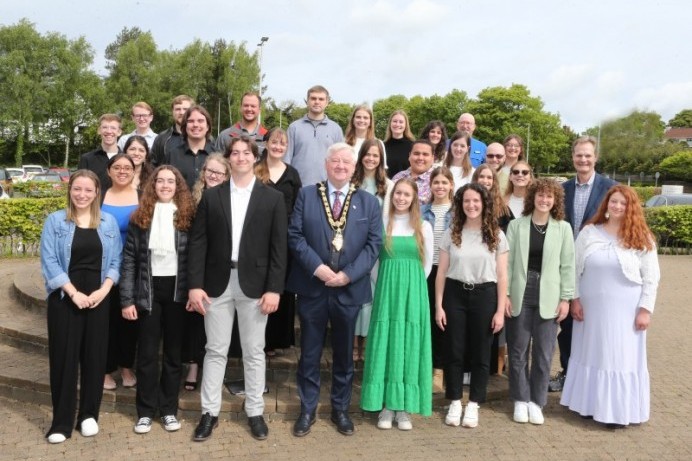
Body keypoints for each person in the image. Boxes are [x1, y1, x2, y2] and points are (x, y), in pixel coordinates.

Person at [187, 136, 287, 442]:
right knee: (214, 350)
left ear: (255, 158)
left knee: (254, 351)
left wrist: (274, 289)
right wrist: (194, 285)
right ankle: (209, 413)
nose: (241, 157)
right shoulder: (212, 196)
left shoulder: (272, 198)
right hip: (216, 284)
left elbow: (279, 248)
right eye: (236, 153)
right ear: (229, 159)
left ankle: (255, 411)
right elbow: (198, 242)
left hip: (255, 287)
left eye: (247, 152)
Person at [287, 143, 381, 437]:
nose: (341, 166)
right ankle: (307, 409)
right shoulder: (306, 194)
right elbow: (295, 235)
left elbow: (373, 245)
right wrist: (318, 268)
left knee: (344, 355)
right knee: (310, 353)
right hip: (313, 286)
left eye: (346, 162)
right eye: (335, 161)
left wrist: (348, 275)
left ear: (354, 168)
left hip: (348, 290)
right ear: (326, 164)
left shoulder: (368, 202)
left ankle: (340, 409)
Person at [561, 185, 660, 427]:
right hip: (590, 308)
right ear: (606, 205)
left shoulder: (642, 238)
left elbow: (652, 276)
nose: (617, 206)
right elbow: (573, 268)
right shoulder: (589, 233)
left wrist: (645, 310)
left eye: (622, 203)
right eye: (613, 202)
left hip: (625, 310)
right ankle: (587, 404)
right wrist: (575, 298)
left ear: (631, 208)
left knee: (618, 356)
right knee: (590, 353)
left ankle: (616, 412)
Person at [40, 170, 122, 444]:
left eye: (88, 190)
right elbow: (49, 260)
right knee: (64, 360)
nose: (82, 195)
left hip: (99, 297)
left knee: (94, 358)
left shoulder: (108, 222)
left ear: (97, 192)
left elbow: (116, 261)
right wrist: (73, 292)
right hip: (66, 299)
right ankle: (61, 422)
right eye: (77, 189)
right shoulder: (56, 221)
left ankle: (88, 415)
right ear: (70, 190)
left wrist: (105, 289)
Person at [120, 165, 195, 434]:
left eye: (170, 182)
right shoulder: (140, 217)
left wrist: (192, 291)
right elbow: (129, 260)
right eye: (160, 181)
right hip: (148, 291)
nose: (165, 185)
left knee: (174, 355)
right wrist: (127, 299)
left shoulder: (187, 215)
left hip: (177, 292)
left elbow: (194, 258)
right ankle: (145, 411)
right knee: (148, 354)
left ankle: (168, 410)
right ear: (152, 185)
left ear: (178, 186)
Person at [361, 178, 434, 430]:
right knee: (387, 342)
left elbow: (426, 265)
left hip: (414, 293)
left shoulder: (424, 227)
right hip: (387, 290)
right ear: (392, 197)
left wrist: (410, 285)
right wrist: (386, 282)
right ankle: (386, 406)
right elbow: (373, 264)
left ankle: (404, 408)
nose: (401, 198)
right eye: (397, 194)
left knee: (410, 344)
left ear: (415, 198)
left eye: (406, 194)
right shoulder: (382, 224)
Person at [435, 183, 508, 428]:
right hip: (455, 294)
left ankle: (474, 403)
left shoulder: (496, 235)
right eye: (466, 201)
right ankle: (455, 400)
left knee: (480, 352)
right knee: (454, 350)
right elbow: (441, 272)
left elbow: (502, 275)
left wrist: (499, 310)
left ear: (484, 203)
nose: (471, 205)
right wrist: (438, 305)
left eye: (476, 201)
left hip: (485, 295)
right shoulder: (451, 233)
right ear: (460, 204)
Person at [550, 136, 617, 392]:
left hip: (598, 269)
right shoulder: (563, 189)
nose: (583, 160)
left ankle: (594, 379)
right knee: (567, 323)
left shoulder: (611, 188)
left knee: (595, 323)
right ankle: (568, 373)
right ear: (573, 157)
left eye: (588, 155)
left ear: (595, 157)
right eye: (579, 155)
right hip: (566, 267)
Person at [505, 179, 575, 425]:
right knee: (518, 350)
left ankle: (537, 401)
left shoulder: (563, 228)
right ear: (532, 197)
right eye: (540, 196)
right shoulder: (516, 226)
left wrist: (566, 299)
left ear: (555, 201)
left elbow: (567, 266)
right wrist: (504, 295)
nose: (544, 200)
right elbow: (507, 263)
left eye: (549, 197)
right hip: (520, 293)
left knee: (545, 353)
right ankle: (520, 399)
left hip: (550, 295)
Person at [184, 154, 231, 390]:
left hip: (220, 270)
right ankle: (193, 367)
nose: (213, 175)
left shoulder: (232, 200)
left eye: (219, 173)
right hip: (196, 267)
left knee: (219, 325)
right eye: (209, 171)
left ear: (227, 176)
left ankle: (215, 373)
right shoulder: (191, 199)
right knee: (195, 321)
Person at [254, 128, 302, 356]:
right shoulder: (255, 170)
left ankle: (275, 340)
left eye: (282, 144)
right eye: (274, 142)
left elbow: (298, 207)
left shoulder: (292, 174)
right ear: (266, 143)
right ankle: (257, 339)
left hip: (284, 239)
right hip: (258, 238)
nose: (277, 147)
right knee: (258, 287)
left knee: (279, 287)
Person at [350, 139, 393, 362]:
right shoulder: (351, 181)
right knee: (353, 294)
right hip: (352, 246)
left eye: (376, 155)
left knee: (372, 296)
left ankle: (366, 344)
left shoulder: (388, 185)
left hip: (377, 247)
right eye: (367, 154)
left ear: (381, 159)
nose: (371, 159)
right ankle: (353, 343)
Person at [101, 154, 140, 391]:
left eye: (128, 167)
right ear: (109, 171)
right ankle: (105, 369)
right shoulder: (99, 195)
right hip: (103, 268)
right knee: (106, 321)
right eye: (117, 167)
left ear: (134, 171)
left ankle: (126, 366)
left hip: (132, 268)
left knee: (129, 321)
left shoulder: (142, 196)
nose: (122, 171)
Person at [472, 164, 513, 376]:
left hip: (495, 272)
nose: (485, 181)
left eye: (489, 178)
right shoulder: (467, 203)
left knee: (491, 324)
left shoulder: (504, 210)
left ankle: (488, 370)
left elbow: (509, 243)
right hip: (473, 272)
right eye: (481, 177)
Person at [421, 167, 454, 393]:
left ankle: (440, 369)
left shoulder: (458, 211)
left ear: (451, 184)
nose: (440, 186)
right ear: (430, 185)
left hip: (451, 272)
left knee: (445, 320)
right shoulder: (422, 210)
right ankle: (426, 366)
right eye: (436, 182)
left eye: (444, 182)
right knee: (428, 319)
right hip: (426, 270)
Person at [284, 85, 344, 185]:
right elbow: (286, 158)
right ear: (307, 101)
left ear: (327, 102)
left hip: (326, 188)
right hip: (298, 187)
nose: (317, 101)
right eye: (313, 98)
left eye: (321, 99)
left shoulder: (336, 129)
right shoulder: (294, 127)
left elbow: (339, 160)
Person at [164, 105, 215, 191]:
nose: (195, 125)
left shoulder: (218, 156)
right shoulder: (172, 155)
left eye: (200, 121)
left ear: (207, 127)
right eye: (191, 121)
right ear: (184, 126)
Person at [78, 114, 122, 189]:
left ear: (119, 132)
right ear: (99, 130)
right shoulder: (87, 159)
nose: (109, 131)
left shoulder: (126, 159)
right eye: (105, 127)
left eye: (113, 128)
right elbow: (80, 186)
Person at [150, 95, 195, 168]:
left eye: (185, 109)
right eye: (177, 109)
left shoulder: (205, 138)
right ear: (172, 112)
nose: (181, 112)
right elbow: (152, 166)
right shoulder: (162, 138)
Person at [391, 140, 436, 205]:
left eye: (425, 154)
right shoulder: (398, 177)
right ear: (409, 156)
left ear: (432, 158)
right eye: (416, 154)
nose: (420, 158)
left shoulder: (437, 180)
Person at [383, 110, 415, 179]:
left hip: (407, 186)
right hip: (387, 186)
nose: (397, 124)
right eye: (395, 121)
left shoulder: (413, 146)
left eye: (401, 122)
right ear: (390, 123)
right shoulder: (382, 146)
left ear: (405, 125)